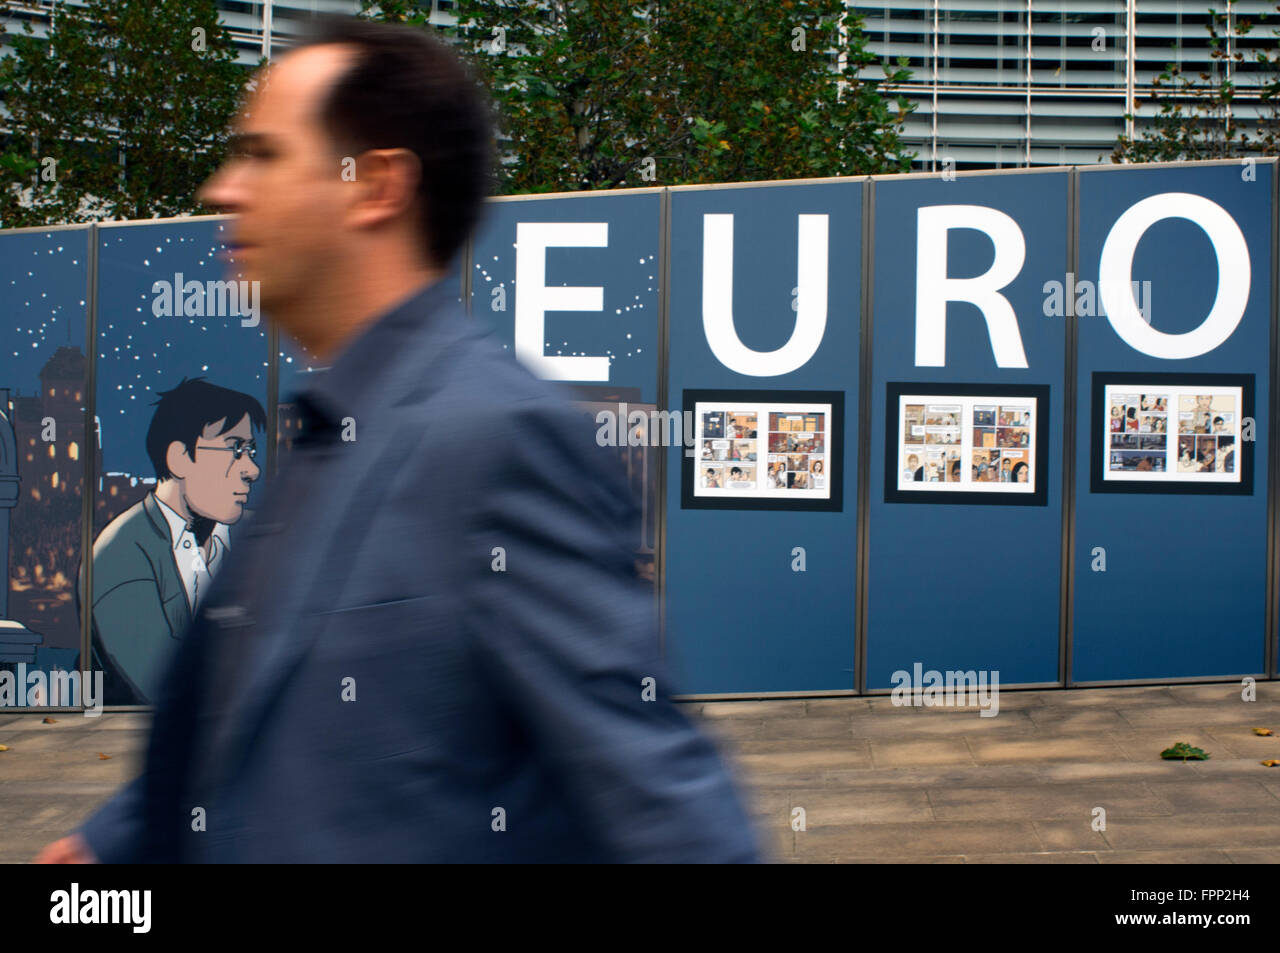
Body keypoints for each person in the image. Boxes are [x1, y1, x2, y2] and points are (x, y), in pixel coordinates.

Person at [39, 16, 757, 864]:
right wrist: (113, 843)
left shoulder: (503, 440)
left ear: (374, 185)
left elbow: (667, 812)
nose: (223, 189)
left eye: (264, 155)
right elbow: (264, 714)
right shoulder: (322, 432)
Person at [78, 378, 265, 705]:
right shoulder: (119, 553)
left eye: (250, 450)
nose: (252, 469)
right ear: (180, 458)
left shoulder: (257, 535)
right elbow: (164, 686)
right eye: (235, 448)